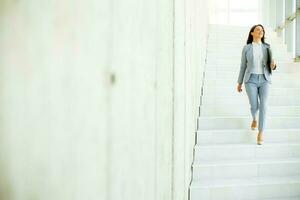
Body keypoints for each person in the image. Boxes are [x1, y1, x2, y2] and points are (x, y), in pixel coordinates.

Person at [236, 24, 277, 145]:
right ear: (252, 33)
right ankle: (254, 118)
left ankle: (261, 132)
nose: (261, 31)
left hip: (265, 79)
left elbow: (272, 64)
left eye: (262, 30)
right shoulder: (246, 48)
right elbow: (243, 66)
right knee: (254, 105)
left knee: (263, 105)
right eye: (258, 30)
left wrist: (273, 65)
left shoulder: (267, 47)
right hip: (251, 80)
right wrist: (239, 82)